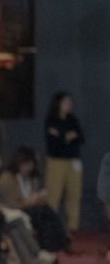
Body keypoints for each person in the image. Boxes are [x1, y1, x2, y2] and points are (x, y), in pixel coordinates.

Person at [43, 91, 84, 232]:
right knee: (54, 194)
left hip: (73, 161)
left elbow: (81, 138)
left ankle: (73, 227)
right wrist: (66, 136)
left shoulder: (73, 120)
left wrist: (68, 136)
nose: (69, 105)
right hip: (56, 161)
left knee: (74, 194)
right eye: (65, 102)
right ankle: (51, 227)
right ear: (58, 104)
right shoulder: (51, 120)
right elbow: (54, 141)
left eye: (70, 102)